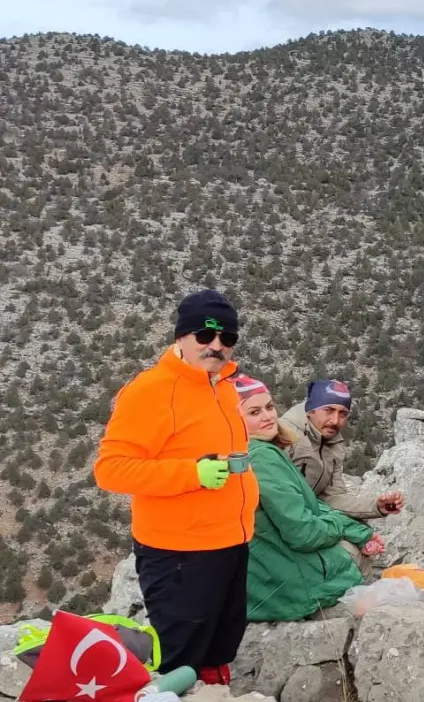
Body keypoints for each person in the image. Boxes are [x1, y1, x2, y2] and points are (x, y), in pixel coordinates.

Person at [93, 290, 259, 685]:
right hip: (179, 553)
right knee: (178, 653)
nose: (216, 346)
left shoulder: (222, 387)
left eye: (226, 338)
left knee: (220, 642)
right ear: (182, 336)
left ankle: (212, 692)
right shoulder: (151, 390)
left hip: (229, 542)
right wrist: (191, 474)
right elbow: (110, 470)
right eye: (205, 335)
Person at [231, 375, 385, 621]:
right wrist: (345, 530)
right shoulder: (262, 457)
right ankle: (349, 631)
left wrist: (358, 529)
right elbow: (302, 532)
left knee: (353, 542)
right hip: (275, 585)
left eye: (270, 407)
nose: (268, 416)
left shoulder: (241, 451)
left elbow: (312, 503)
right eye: (254, 412)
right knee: (356, 557)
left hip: (260, 570)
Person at [281, 379, 404, 521]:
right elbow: (276, 498)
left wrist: (376, 506)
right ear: (311, 409)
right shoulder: (284, 436)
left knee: (362, 533)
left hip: (304, 515)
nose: (335, 420)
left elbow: (333, 497)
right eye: (328, 410)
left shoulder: (333, 444)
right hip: (280, 520)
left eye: (343, 414)